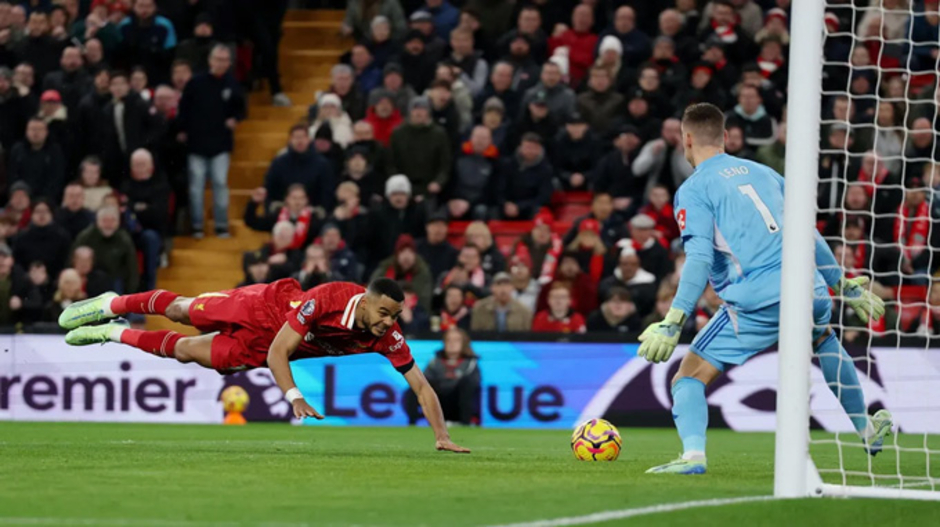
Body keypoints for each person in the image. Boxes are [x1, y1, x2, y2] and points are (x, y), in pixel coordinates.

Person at [639, 103, 890, 475]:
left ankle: (693, 456)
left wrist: (673, 320)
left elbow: (699, 258)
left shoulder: (694, 189)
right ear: (724, 137)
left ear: (686, 140)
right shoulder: (766, 173)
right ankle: (867, 429)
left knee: (688, 375)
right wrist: (841, 284)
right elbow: (808, 230)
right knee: (824, 339)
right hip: (811, 288)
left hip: (758, 300)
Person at [59, 278, 470, 453]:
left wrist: (441, 434)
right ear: (365, 300)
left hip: (261, 347)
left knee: (186, 352)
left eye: (395, 316)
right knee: (186, 312)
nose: (388, 322)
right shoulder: (328, 299)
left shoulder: (385, 335)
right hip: (259, 308)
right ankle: (110, 304)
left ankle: (110, 333)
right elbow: (280, 353)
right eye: (383, 312)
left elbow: (421, 385)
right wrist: (294, 395)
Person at [178, 45, 246, 238]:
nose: (221, 63)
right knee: (196, 186)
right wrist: (183, 130)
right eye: (218, 59)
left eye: (225, 60)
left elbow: (241, 109)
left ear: (229, 63)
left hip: (221, 145)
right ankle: (197, 226)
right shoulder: (195, 83)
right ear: (210, 60)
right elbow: (184, 108)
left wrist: (235, 119)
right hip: (196, 144)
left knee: (220, 184)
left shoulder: (233, 84)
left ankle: (221, 226)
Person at [405, 327, 480, 426]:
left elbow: (474, 385)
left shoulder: (470, 363)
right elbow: (424, 383)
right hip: (438, 402)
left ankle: (465, 424)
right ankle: (412, 424)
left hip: (458, 403)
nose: (452, 344)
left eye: (456, 340)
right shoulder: (435, 362)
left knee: (466, 384)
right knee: (416, 387)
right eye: (448, 340)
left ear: (464, 343)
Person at [388, 96, 451, 201]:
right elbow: (391, 162)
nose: (419, 113)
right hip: (403, 188)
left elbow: (445, 163)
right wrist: (398, 182)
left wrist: (439, 182)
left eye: (423, 109)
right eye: (415, 109)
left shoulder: (439, 134)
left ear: (428, 112)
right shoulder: (398, 133)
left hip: (430, 187)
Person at [263, 125, 336, 211]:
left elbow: (327, 193)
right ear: (290, 140)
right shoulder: (279, 163)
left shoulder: (322, 164)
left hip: (313, 215)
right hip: (283, 214)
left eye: (303, 137)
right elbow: (270, 190)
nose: (299, 141)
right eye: (296, 137)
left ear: (309, 139)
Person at [73, 207, 139, 294]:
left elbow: (132, 267)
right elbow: (72, 259)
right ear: (97, 221)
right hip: (90, 277)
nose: (108, 224)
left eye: (112, 221)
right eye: (105, 221)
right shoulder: (86, 237)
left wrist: (131, 291)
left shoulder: (124, 239)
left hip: (115, 278)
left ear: (118, 222)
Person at [370, 234, 434, 311]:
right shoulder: (384, 269)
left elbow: (424, 303)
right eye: (402, 251)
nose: (406, 256)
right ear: (397, 254)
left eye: (410, 252)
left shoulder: (422, 272)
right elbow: (372, 293)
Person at [11, 198, 71, 280]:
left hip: (55, 281)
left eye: (46, 211)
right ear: (32, 214)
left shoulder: (62, 237)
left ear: (52, 214)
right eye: (38, 211)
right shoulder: (21, 237)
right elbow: (16, 263)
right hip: (26, 280)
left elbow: (65, 263)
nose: (41, 215)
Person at [8, 118, 65, 201]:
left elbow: (56, 178)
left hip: (47, 200)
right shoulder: (17, 150)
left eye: (40, 129)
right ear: (26, 131)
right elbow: (12, 176)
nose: (36, 133)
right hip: (21, 198)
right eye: (32, 129)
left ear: (46, 132)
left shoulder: (55, 151)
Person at [416, 212, 458, 280]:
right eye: (436, 225)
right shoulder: (416, 247)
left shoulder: (452, 253)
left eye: (442, 226)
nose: (439, 230)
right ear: (427, 227)